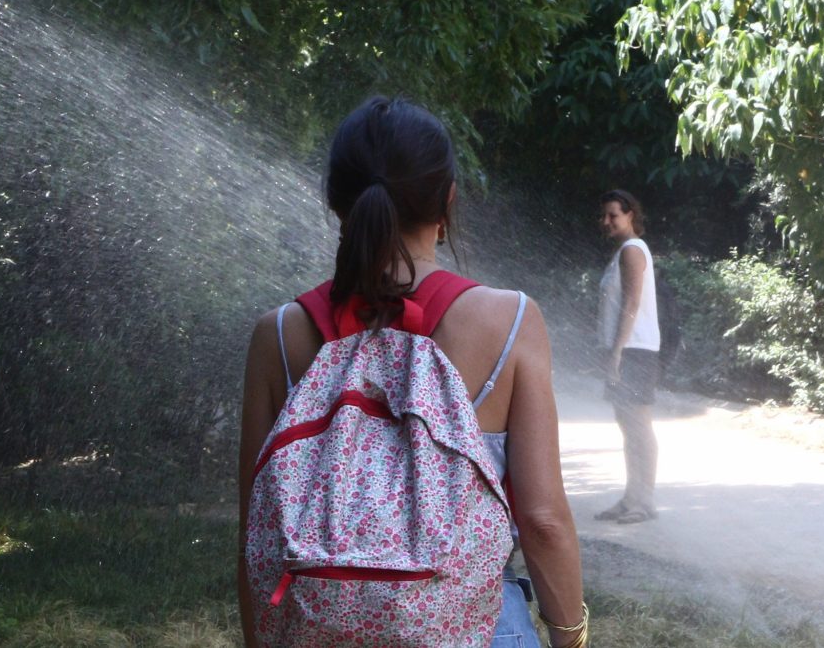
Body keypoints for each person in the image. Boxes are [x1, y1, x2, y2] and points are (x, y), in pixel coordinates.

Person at [238, 96, 587, 647]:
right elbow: (543, 522)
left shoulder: (280, 335)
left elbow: (256, 535)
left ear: (336, 202)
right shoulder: (509, 320)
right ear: (447, 200)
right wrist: (573, 638)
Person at [594, 189, 661, 525]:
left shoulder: (633, 250)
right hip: (625, 348)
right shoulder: (623, 251)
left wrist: (618, 352)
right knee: (627, 425)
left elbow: (631, 304)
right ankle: (631, 497)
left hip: (635, 350)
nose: (606, 221)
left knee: (638, 426)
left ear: (630, 215)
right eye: (604, 215)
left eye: (613, 215)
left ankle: (644, 502)